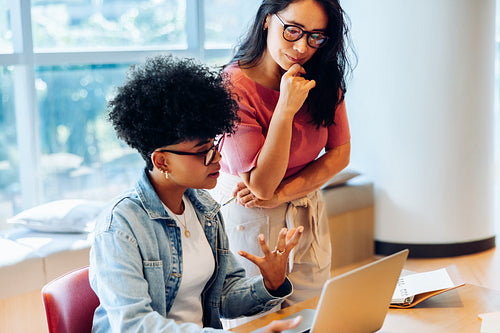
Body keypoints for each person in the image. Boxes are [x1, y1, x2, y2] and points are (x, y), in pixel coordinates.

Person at [89, 55, 304, 332]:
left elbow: (223, 297)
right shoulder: (120, 227)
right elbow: (134, 325)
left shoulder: (205, 209)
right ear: (162, 161)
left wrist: (270, 283)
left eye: (214, 145)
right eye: (203, 152)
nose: (217, 158)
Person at [211, 0, 352, 307]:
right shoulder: (234, 86)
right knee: (258, 317)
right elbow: (261, 185)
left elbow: (340, 153)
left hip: (304, 208)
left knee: (310, 315)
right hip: (251, 216)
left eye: (316, 36)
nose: (302, 46)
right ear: (266, 20)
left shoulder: (323, 76)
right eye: (292, 30)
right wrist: (285, 109)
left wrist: (283, 194)